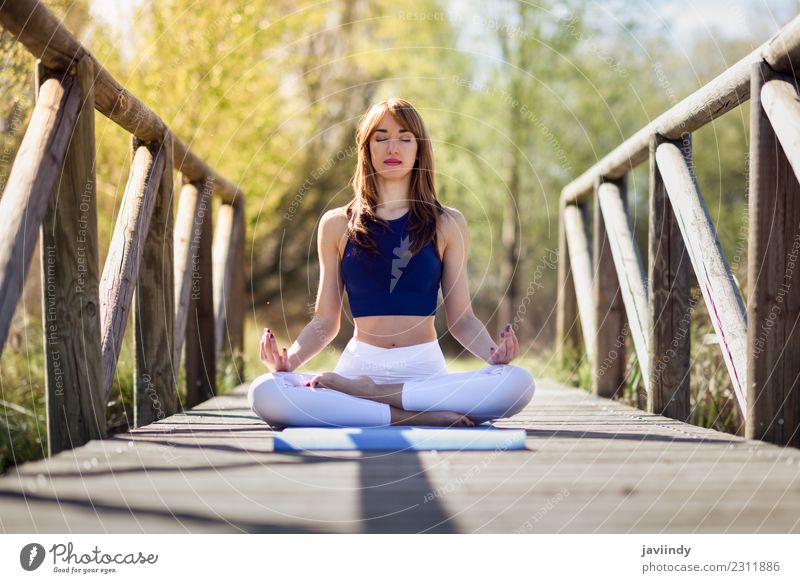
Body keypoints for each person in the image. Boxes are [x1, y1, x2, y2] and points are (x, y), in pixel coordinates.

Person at [248, 97, 535, 429]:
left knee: (518, 384)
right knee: (265, 392)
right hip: (358, 367)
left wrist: (492, 354)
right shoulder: (337, 224)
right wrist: (289, 362)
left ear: (419, 148)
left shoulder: (448, 223)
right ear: (366, 149)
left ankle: (374, 398)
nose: (392, 147)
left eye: (404, 137)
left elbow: (462, 319)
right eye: (380, 137)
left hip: (422, 373)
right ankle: (411, 415)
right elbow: (326, 322)